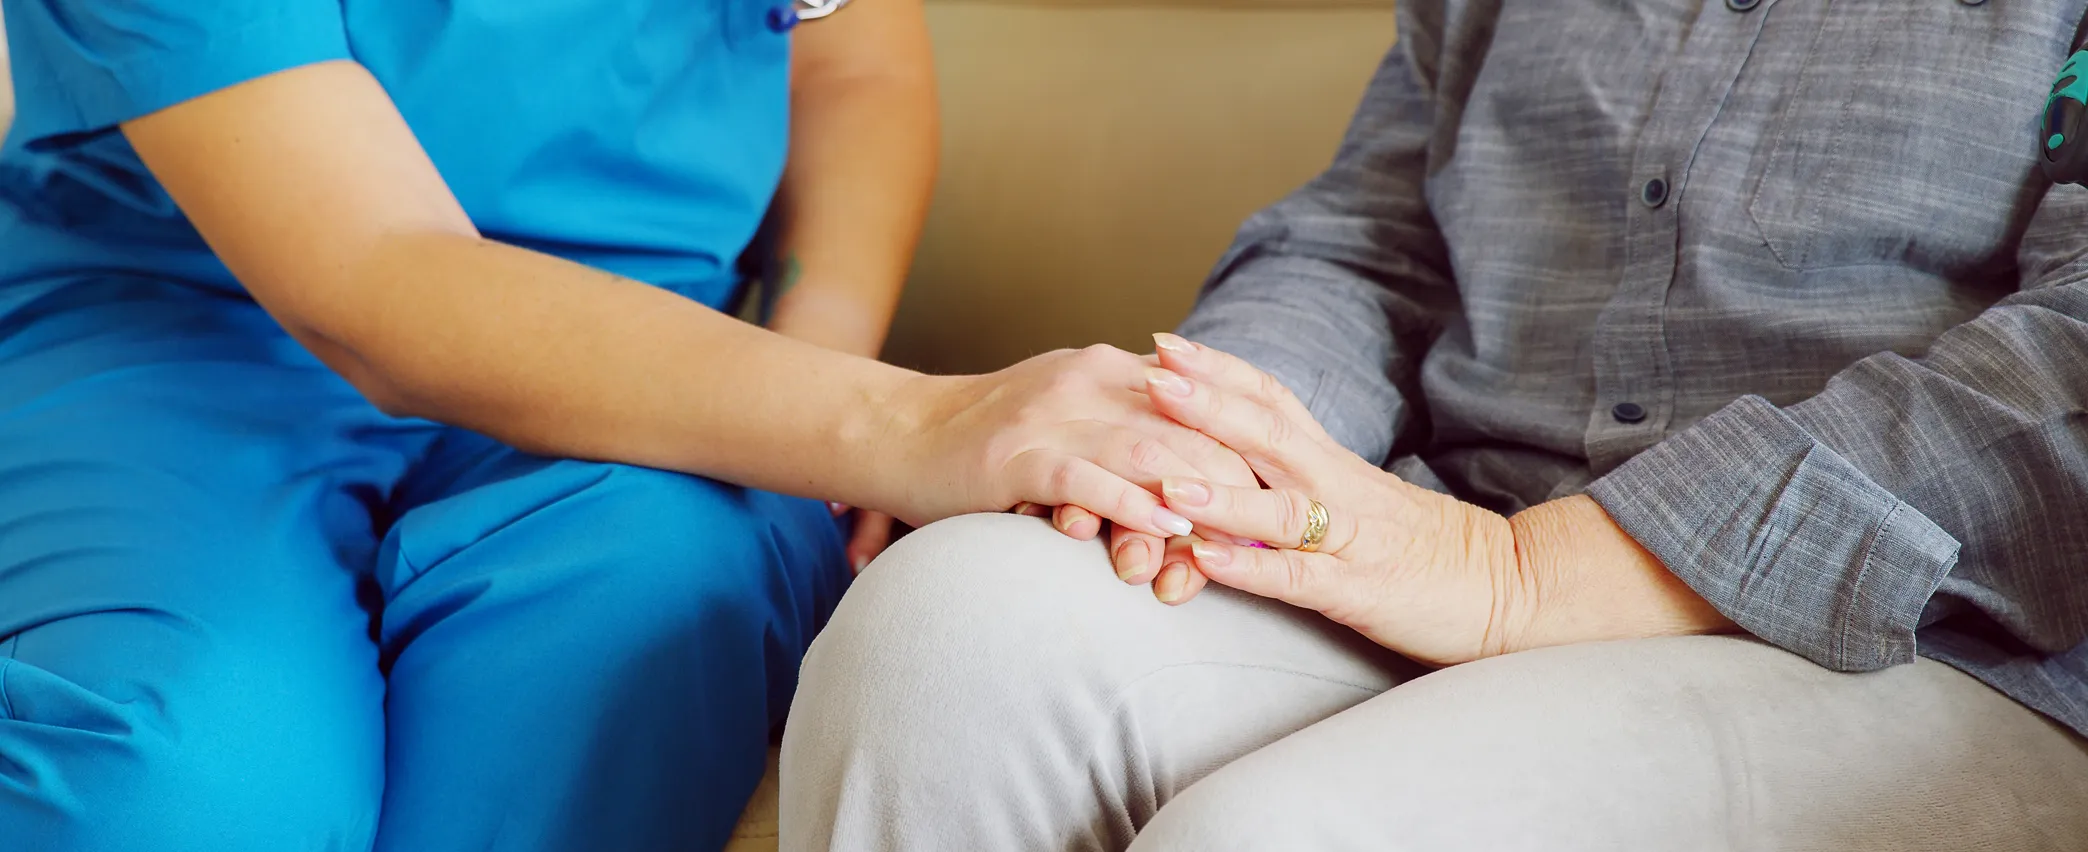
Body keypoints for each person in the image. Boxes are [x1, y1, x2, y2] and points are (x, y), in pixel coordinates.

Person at [780, 1, 2088, 848]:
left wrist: (1526, 576)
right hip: (1430, 531)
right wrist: (1197, 449)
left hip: (1909, 648)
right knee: (946, 626)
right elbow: (1370, 243)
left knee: (1281, 837)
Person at [0, 0, 1256, 849]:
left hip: (653, 361)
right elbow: (369, 275)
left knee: (627, 620)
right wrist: (905, 422)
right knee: (169, 781)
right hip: (182, 330)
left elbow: (853, 62)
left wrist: (807, 375)